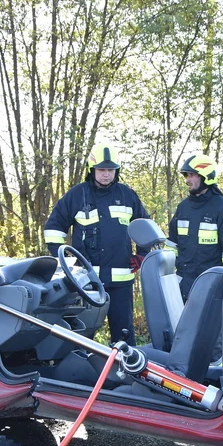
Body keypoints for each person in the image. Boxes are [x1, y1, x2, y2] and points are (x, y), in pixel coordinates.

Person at [43, 143, 150, 343]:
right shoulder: (76, 196)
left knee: (124, 338)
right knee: (82, 337)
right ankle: (83, 372)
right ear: (92, 170)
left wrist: (142, 253)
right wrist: (65, 260)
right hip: (85, 282)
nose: (106, 174)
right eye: (102, 169)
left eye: (111, 170)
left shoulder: (127, 195)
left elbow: (145, 226)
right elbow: (53, 230)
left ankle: (127, 373)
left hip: (120, 282)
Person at [167, 154, 223, 301]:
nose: (187, 180)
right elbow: (172, 245)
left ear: (206, 177)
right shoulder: (183, 207)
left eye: (192, 175)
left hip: (212, 286)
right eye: (187, 176)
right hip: (183, 284)